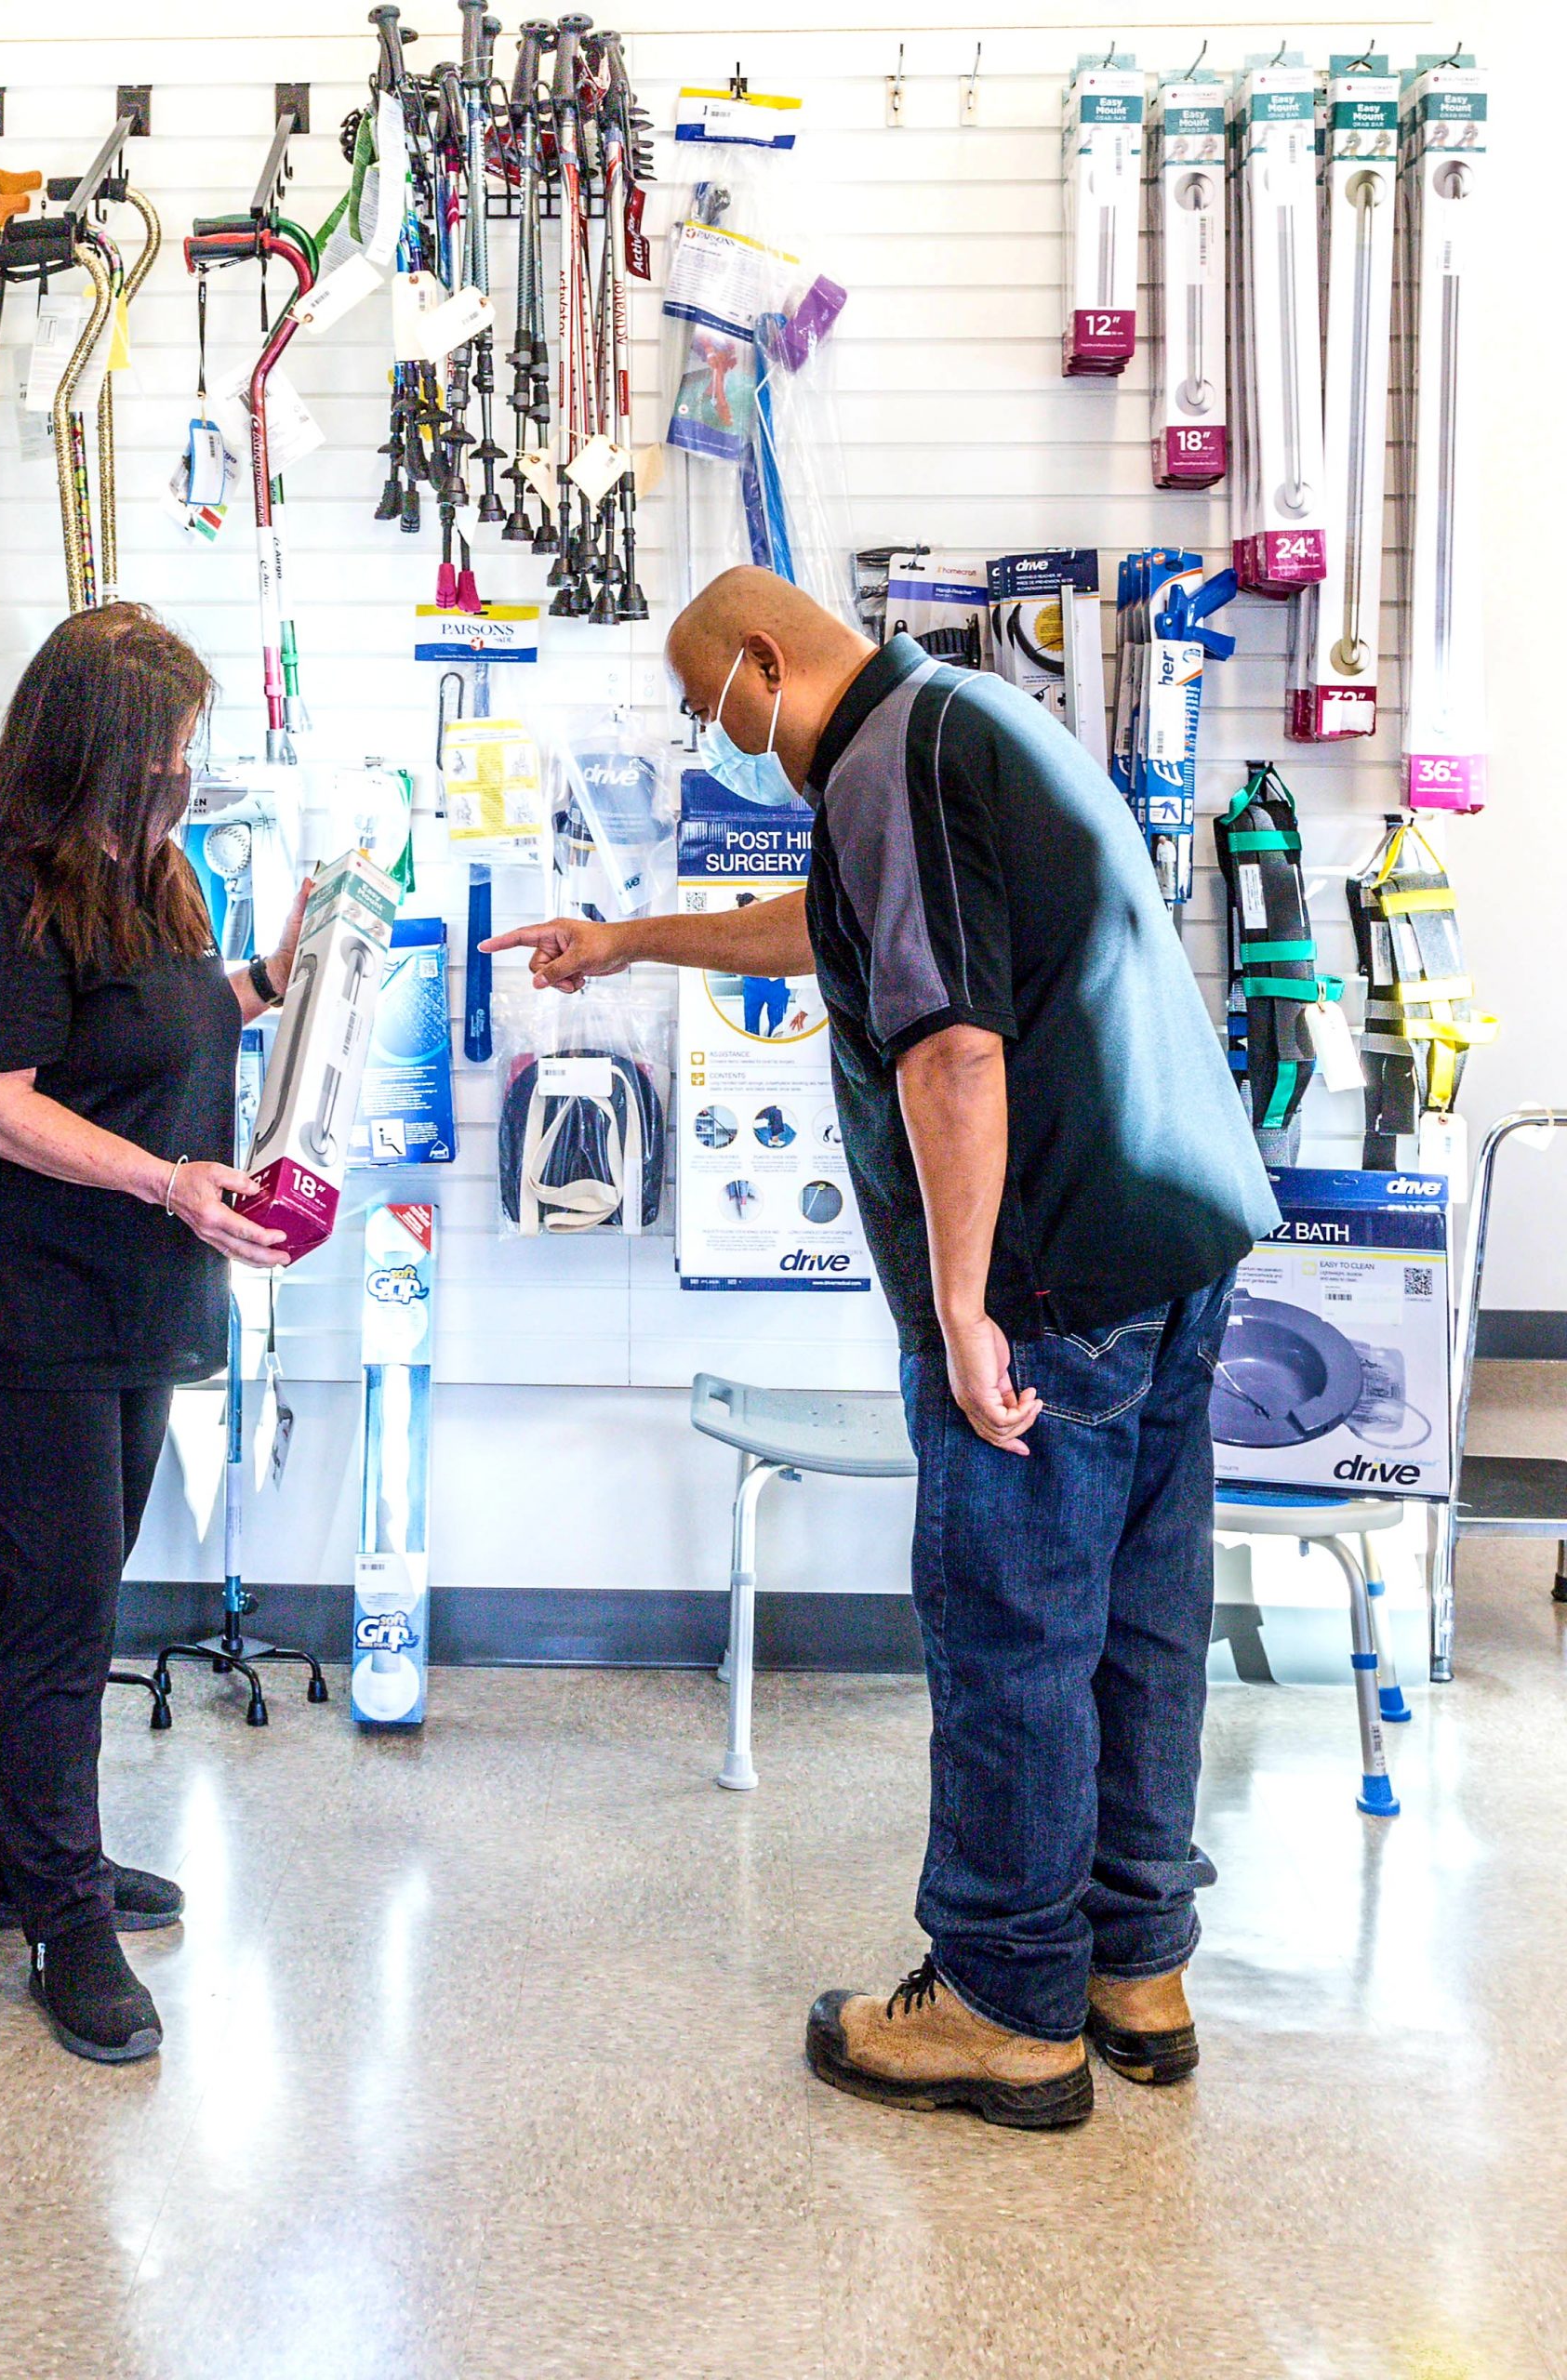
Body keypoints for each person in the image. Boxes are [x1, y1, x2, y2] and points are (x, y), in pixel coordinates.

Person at [487, 567, 1277, 2130]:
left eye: (712, 709)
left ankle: (1000, 2001)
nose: (716, 744)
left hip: (1055, 1283)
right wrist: (630, 937)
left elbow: (954, 1049)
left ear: (768, 665)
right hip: (1175, 1243)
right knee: (1138, 1622)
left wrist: (969, 1304)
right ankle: (1136, 1966)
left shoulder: (881, 764)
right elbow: (830, 928)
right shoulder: (962, 725)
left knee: (1013, 1632)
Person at [0, 602, 301, 2066]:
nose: (184, 773)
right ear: (97, 752)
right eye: (167, 752)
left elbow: (162, 1031)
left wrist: (279, 980)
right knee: (59, 1613)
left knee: (80, 1586)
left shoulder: (147, 874)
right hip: (18, 1302)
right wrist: (168, 1181)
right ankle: (65, 1920)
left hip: (124, 1293)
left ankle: (26, 1856)